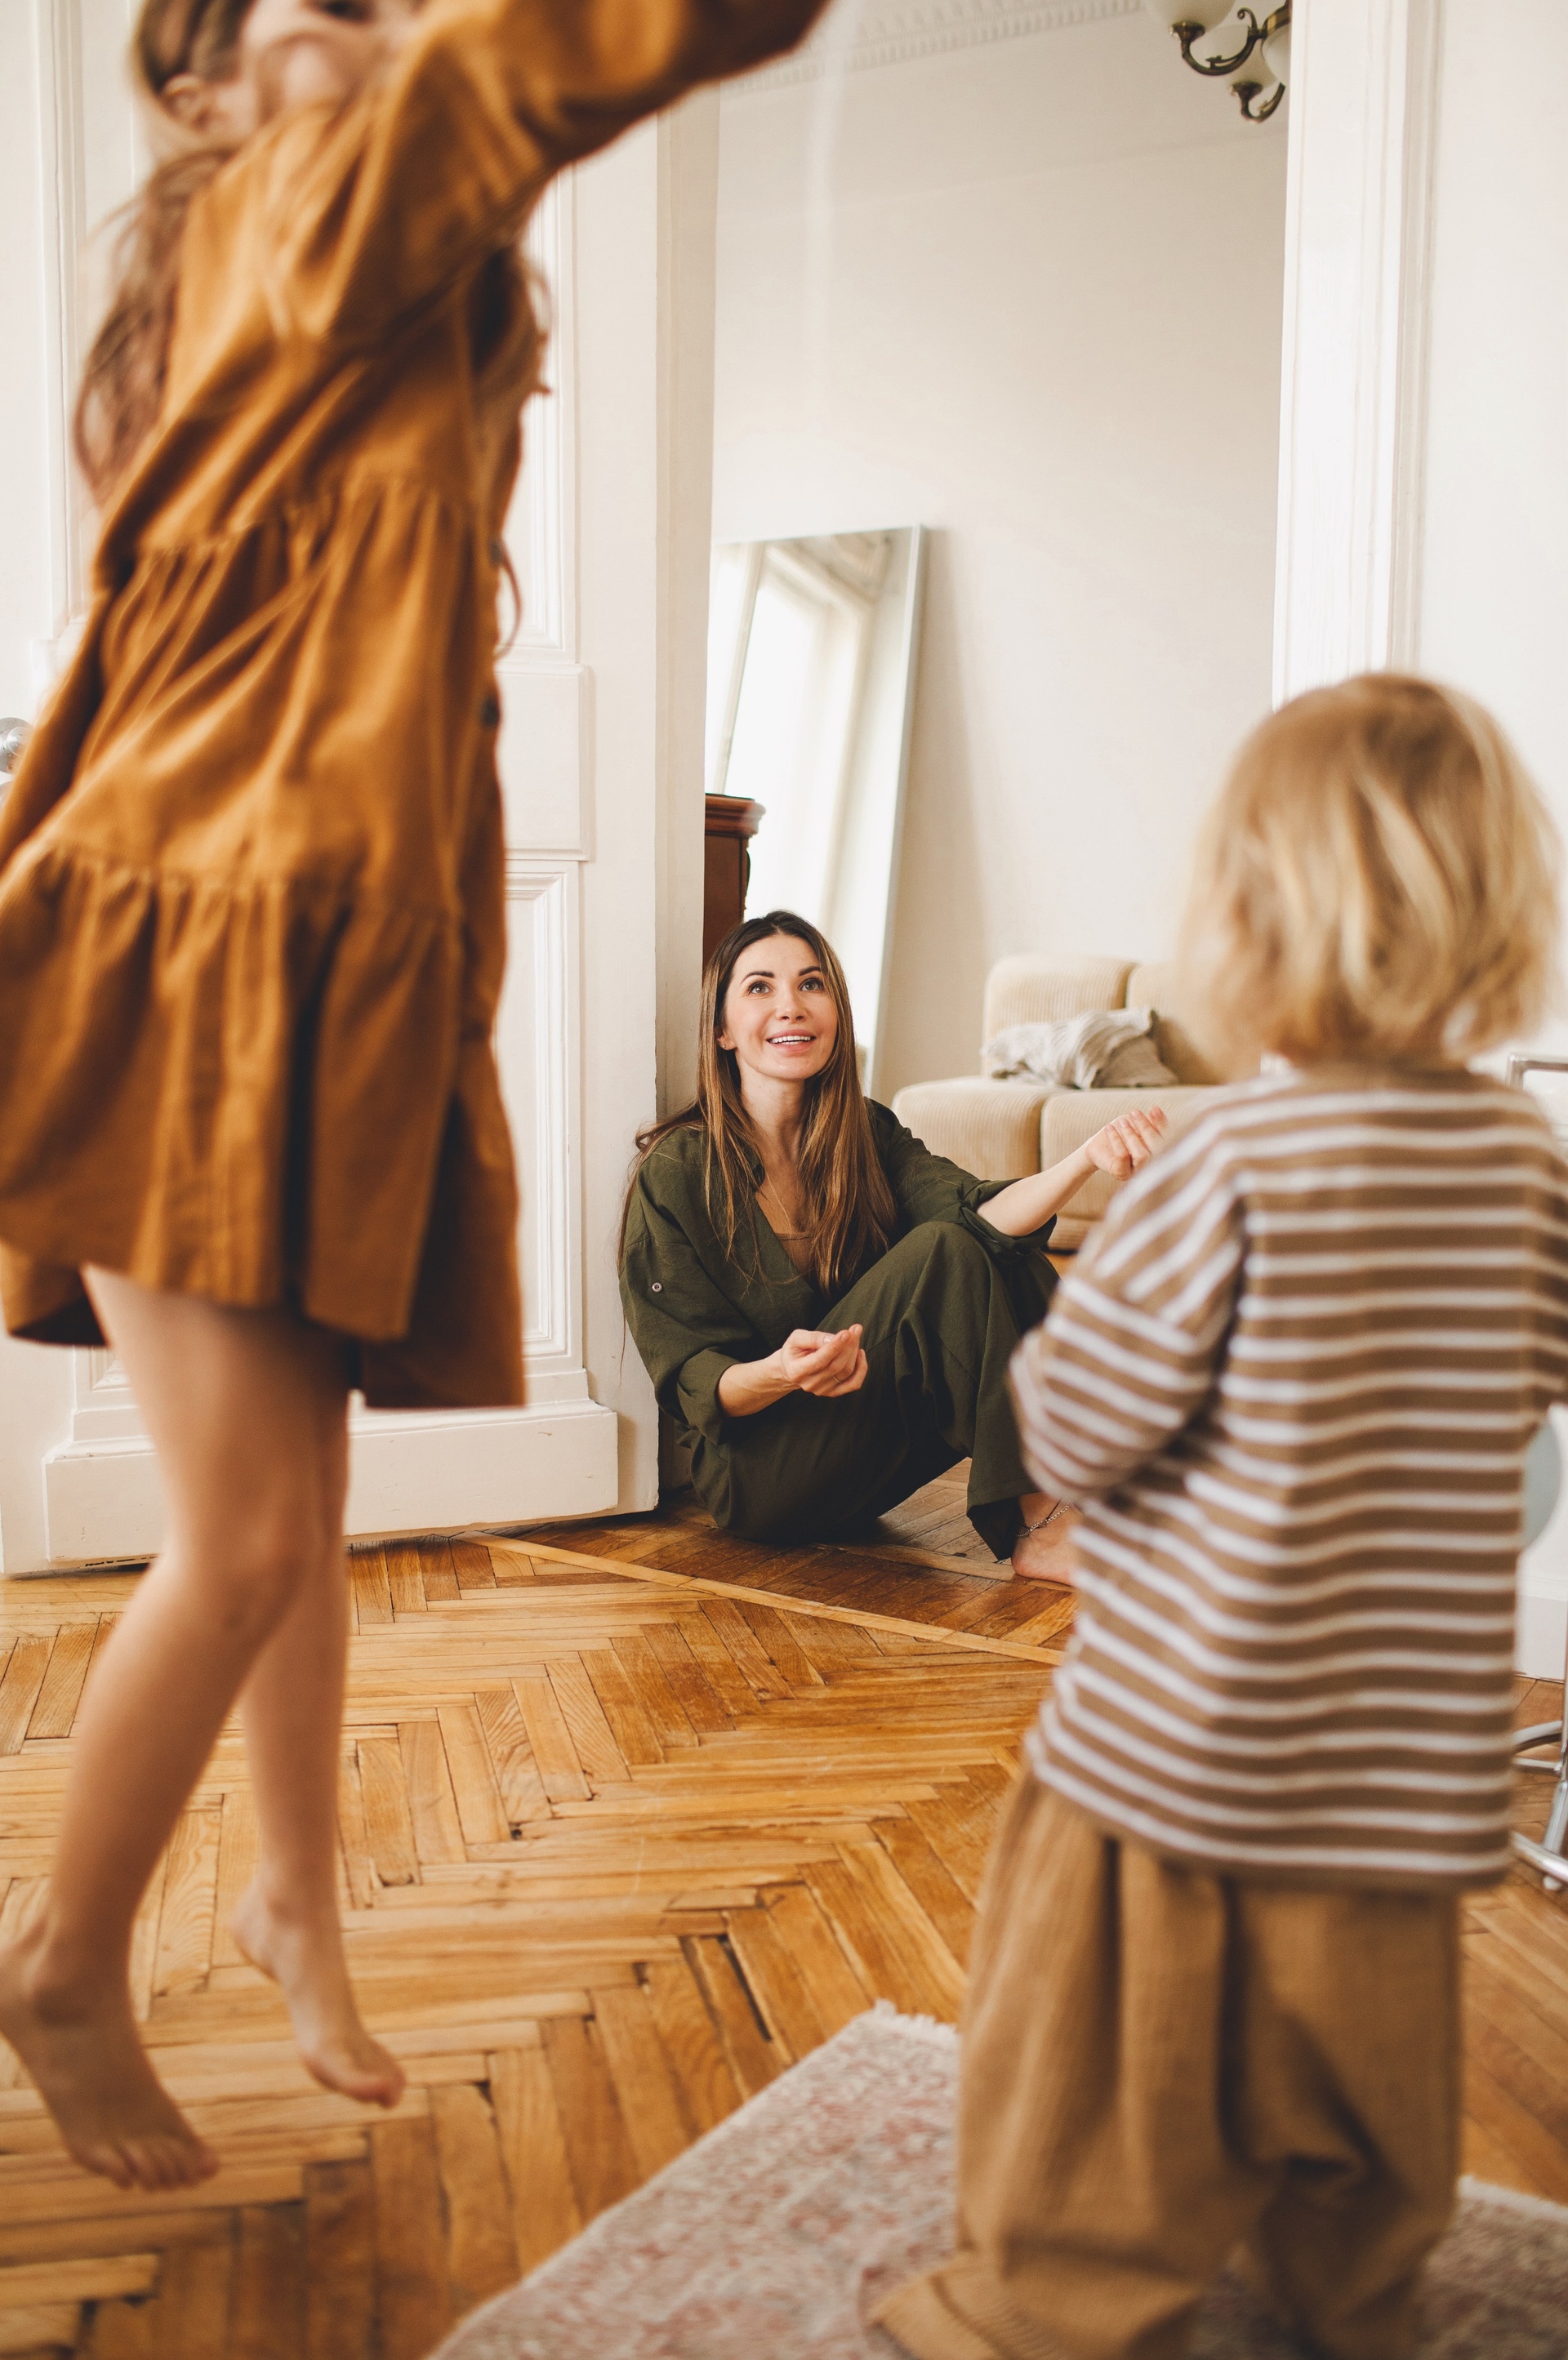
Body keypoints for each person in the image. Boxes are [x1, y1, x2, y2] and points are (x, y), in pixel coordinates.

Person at [0, 0, 829, 2195]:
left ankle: (294, 1900)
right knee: (249, 1530)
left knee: (307, 1491)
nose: (377, 29)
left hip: (321, 968)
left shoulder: (384, 297)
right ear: (197, 90)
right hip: (185, 955)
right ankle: (63, 1958)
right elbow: (529, 67)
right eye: (320, 13)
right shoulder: (306, 211)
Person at [874, 673, 1568, 2360]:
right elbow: (1522, 1403)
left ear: (1250, 917)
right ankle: (1358, 2282)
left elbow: (1079, 1418)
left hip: (1189, 1745)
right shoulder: (1526, 1166)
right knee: (1369, 2056)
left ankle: (1052, 2292)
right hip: (1404, 1758)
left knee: (1111, 2052)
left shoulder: (1229, 1163)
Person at [620, 910, 1166, 1577]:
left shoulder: (865, 1133)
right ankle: (1044, 1525)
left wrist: (1085, 1158)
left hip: (859, 1448)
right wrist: (784, 1372)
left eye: (811, 984)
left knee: (1000, 1252)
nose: (791, 1005)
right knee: (945, 1253)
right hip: (760, 1477)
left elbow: (980, 1214)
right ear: (723, 1030)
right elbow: (696, 1382)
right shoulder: (676, 1172)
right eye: (760, 987)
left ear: (837, 1013)